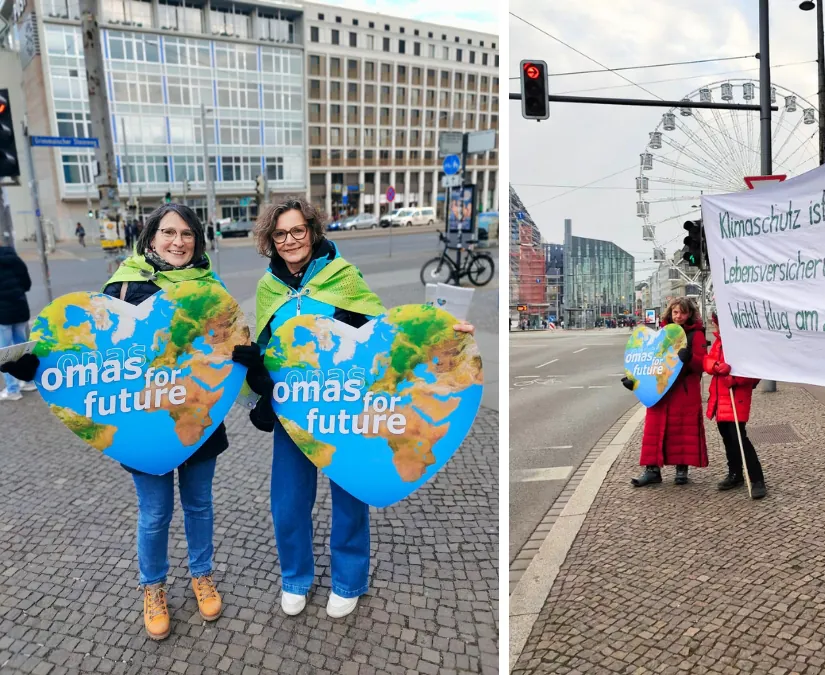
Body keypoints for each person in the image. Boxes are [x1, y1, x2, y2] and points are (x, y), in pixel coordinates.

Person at [231, 199, 475, 619]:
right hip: (295, 409)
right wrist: (259, 382)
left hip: (346, 406)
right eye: (280, 234)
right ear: (270, 240)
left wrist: (442, 333)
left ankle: (348, 579)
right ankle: (295, 577)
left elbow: (384, 338)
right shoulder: (268, 286)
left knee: (349, 491)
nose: (290, 241)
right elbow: (268, 348)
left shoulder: (344, 278)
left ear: (313, 229)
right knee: (287, 500)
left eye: (297, 231)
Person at [1, 204, 228, 641]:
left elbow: (225, 346)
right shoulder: (123, 286)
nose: (177, 241)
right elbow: (92, 349)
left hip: (198, 415)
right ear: (150, 238)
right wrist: (37, 366)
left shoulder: (210, 288)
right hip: (142, 423)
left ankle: (202, 574)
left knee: (199, 504)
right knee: (155, 511)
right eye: (167, 232)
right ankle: (154, 588)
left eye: (186, 233)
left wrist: (244, 359)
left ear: (197, 239)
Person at [622, 296, 708, 487]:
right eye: (676, 312)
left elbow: (702, 364)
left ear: (690, 314)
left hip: (684, 390)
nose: (679, 316)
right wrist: (635, 380)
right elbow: (649, 360)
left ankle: (681, 469)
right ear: (670, 313)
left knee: (683, 430)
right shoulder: (662, 333)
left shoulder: (696, 335)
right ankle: (652, 470)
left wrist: (690, 358)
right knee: (653, 430)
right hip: (660, 388)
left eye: (683, 312)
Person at [703, 311, 766, 499]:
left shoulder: (742, 344)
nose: (717, 328)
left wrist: (736, 379)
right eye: (716, 324)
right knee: (728, 439)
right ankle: (735, 473)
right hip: (719, 399)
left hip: (735, 398)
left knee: (739, 438)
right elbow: (707, 360)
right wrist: (715, 367)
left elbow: (755, 370)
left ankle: (756, 479)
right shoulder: (720, 342)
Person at [0, 244, 32, 401]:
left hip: (3, 313)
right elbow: (27, 284)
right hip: (20, 308)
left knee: (5, 351)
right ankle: (28, 380)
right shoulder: (15, 259)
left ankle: (12, 389)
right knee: (22, 346)